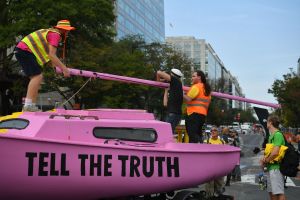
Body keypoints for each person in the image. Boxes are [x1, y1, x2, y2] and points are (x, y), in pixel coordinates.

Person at [15, 20, 75, 112]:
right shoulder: (56, 35)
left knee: (36, 78)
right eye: (67, 31)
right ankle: (28, 106)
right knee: (37, 77)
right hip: (25, 51)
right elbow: (52, 55)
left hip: (23, 50)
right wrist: (64, 69)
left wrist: (55, 68)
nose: (68, 33)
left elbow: (50, 56)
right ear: (63, 30)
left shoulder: (50, 32)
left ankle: (31, 106)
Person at [260, 115, 286, 200]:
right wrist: (264, 159)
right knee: (271, 193)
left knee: (279, 193)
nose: (266, 123)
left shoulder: (278, 135)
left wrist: (266, 160)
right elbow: (270, 151)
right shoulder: (271, 136)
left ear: (270, 122)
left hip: (276, 168)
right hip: (270, 168)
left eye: (267, 121)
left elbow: (275, 153)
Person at [183, 70, 211, 143]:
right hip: (202, 115)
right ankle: (197, 151)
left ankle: (201, 145)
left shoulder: (196, 87)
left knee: (192, 134)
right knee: (197, 134)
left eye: (193, 76)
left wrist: (180, 93)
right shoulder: (206, 88)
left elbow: (188, 99)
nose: (191, 78)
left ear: (199, 77)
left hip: (193, 114)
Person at [156, 69, 183, 134]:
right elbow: (165, 104)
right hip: (173, 114)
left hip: (173, 114)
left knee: (166, 133)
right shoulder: (176, 85)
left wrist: (162, 73)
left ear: (172, 75)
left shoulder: (175, 80)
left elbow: (158, 72)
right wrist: (166, 91)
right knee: (168, 133)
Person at [204, 126, 225, 197]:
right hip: (208, 166)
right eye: (211, 130)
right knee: (209, 183)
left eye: (215, 130)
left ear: (218, 132)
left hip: (219, 166)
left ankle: (218, 195)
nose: (213, 132)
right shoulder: (206, 141)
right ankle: (209, 196)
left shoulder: (222, 142)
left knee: (219, 183)